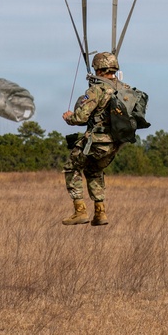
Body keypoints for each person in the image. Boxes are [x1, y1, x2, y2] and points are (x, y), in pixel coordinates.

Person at [60, 51, 125, 226]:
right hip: (115, 143)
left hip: (97, 141)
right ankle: (100, 213)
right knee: (93, 170)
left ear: (99, 69)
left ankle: (80, 211)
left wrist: (69, 118)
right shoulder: (124, 88)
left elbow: (80, 117)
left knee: (71, 167)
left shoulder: (97, 89)